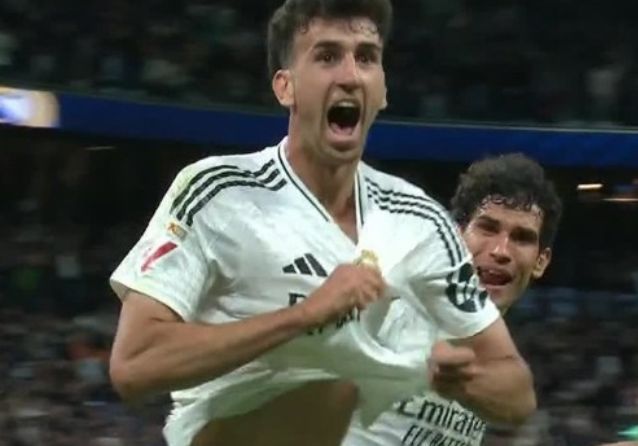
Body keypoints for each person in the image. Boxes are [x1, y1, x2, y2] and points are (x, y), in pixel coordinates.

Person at [107, 1, 535, 445]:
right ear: (285, 87)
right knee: (334, 386)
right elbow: (133, 365)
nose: (350, 76)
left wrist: (457, 379)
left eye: (366, 57)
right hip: (227, 432)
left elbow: (517, 393)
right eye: (327, 56)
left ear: (383, 89)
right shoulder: (219, 192)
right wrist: (304, 316)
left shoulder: (420, 222)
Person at [344, 153, 563, 446]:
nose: (500, 250)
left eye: (521, 237)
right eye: (488, 228)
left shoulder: (496, 354)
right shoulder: (393, 305)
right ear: (455, 236)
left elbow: (520, 405)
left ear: (540, 262)